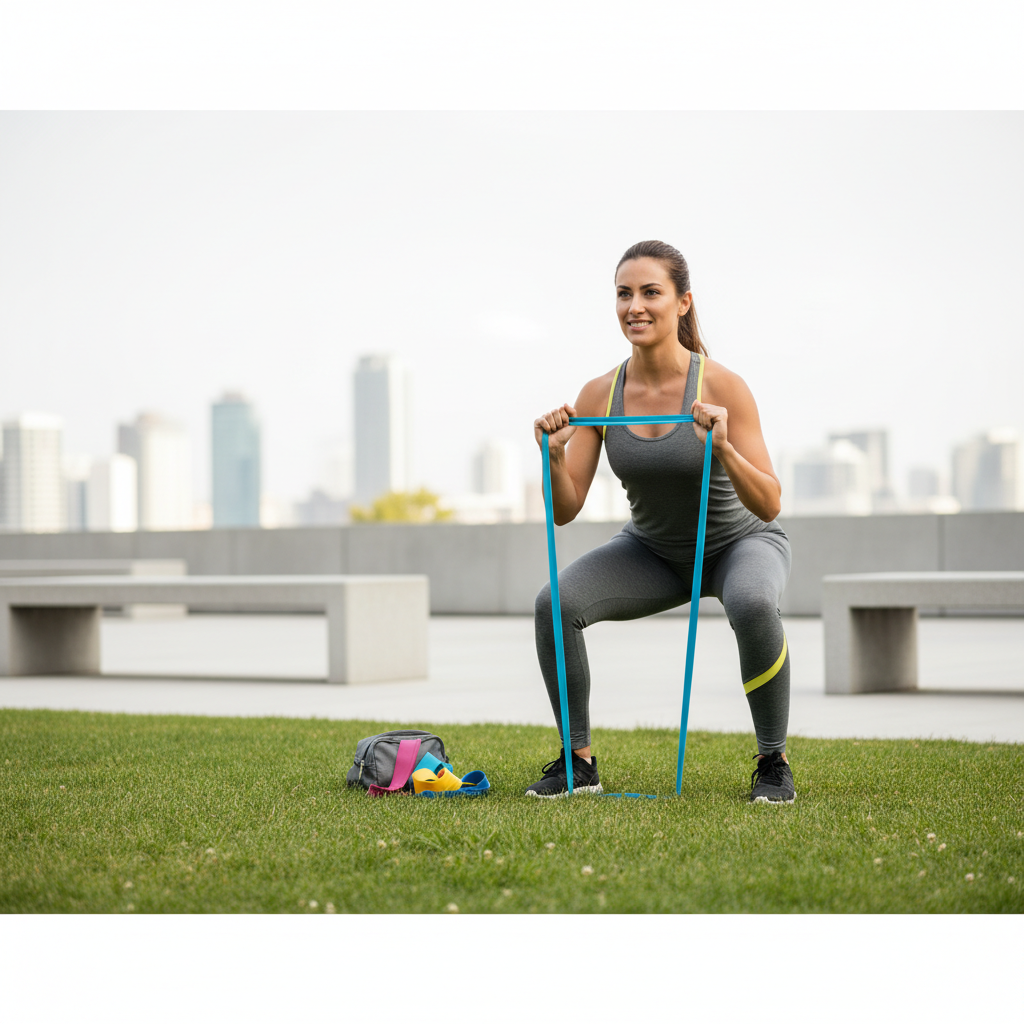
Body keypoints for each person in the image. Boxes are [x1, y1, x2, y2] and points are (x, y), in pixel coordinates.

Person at [530, 239, 795, 803]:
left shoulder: (722, 385)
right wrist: (554, 458)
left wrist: (722, 449)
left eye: (651, 292)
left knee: (750, 602)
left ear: (683, 303)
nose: (635, 306)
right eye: (624, 294)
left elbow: (770, 503)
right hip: (654, 552)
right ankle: (578, 763)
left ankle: (773, 761)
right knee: (555, 604)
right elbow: (564, 509)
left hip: (739, 544)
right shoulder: (601, 393)